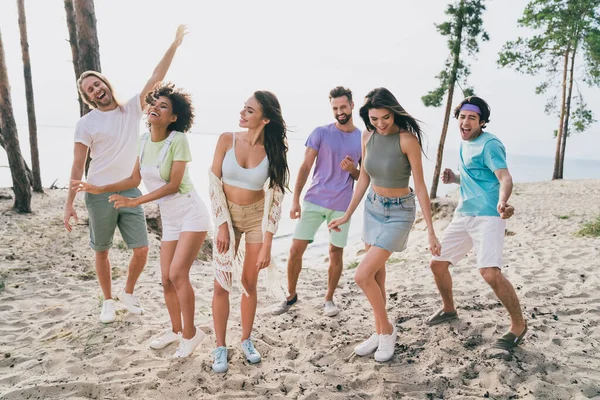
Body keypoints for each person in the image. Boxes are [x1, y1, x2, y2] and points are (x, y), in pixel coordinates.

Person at [73, 82, 211, 358]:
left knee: (177, 274)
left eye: (164, 106)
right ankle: (175, 330)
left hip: (190, 212)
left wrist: (135, 201)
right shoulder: (144, 140)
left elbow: (173, 185)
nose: (156, 108)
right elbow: (134, 180)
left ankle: (191, 334)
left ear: (173, 117)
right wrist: (98, 188)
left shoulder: (178, 140)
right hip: (169, 218)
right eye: (154, 104)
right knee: (166, 279)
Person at [63, 25, 188, 324]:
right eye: (90, 89)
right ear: (87, 97)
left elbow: (155, 78)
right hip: (97, 194)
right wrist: (69, 203)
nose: (97, 90)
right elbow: (77, 166)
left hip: (130, 190)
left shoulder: (131, 109)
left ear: (106, 84)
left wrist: (175, 44)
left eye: (98, 84)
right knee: (102, 250)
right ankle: (107, 300)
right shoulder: (86, 124)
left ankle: (127, 292)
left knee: (142, 249)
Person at [329, 87, 441, 362]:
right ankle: (379, 330)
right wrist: (346, 215)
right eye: (374, 118)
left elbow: (421, 187)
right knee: (376, 275)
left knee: (362, 275)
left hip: (400, 213)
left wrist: (430, 230)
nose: (380, 123)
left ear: (394, 112)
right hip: (372, 208)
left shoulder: (407, 140)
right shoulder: (368, 137)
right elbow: (364, 180)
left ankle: (387, 330)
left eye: (385, 118)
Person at [426, 96, 527, 351]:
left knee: (489, 273)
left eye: (472, 118)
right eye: (462, 117)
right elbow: (478, 177)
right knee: (437, 264)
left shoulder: (490, 144)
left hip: (489, 216)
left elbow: (504, 177)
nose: (466, 121)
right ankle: (449, 309)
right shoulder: (463, 144)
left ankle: (518, 325)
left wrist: (503, 202)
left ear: (482, 122)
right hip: (464, 214)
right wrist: (455, 179)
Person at [209, 91, 288, 373]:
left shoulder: (274, 150)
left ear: (265, 119)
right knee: (222, 281)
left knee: (248, 282)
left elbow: (276, 198)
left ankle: (245, 340)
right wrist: (220, 225)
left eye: (250, 111)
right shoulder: (226, 139)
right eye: (243, 108)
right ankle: (220, 346)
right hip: (226, 216)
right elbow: (213, 182)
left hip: (257, 218)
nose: (242, 113)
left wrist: (268, 243)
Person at [272, 86, 361, 318]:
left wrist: (353, 170)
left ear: (352, 105)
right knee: (295, 250)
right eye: (335, 108)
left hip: (342, 205)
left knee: (335, 252)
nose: (340, 111)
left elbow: (364, 178)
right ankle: (291, 296)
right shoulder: (320, 132)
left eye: (343, 106)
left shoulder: (363, 138)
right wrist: (295, 200)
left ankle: (329, 299)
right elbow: (304, 166)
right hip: (313, 200)